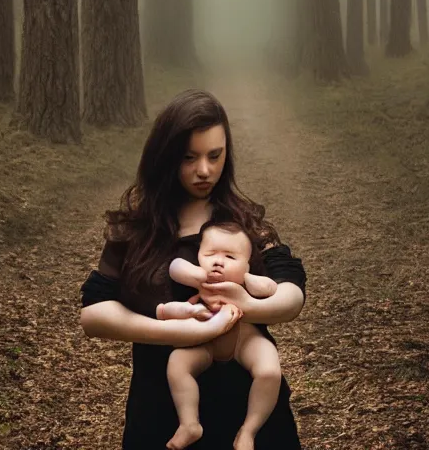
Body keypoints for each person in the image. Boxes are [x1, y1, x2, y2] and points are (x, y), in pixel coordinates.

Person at [80, 88, 306, 450]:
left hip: (245, 409)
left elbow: (292, 293)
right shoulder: (137, 228)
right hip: (162, 411)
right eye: (189, 158)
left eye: (215, 156)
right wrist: (177, 334)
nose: (205, 170)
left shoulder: (243, 222)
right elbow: (93, 314)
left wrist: (242, 307)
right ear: (165, 158)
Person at [158, 220, 282, 450]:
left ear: (247, 264)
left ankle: (248, 430)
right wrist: (197, 275)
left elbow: (271, 289)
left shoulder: (246, 279)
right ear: (198, 257)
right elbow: (175, 267)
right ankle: (189, 423)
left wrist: (247, 278)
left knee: (270, 371)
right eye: (210, 254)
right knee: (177, 364)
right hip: (204, 341)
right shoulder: (198, 278)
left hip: (243, 339)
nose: (218, 261)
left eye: (230, 257)